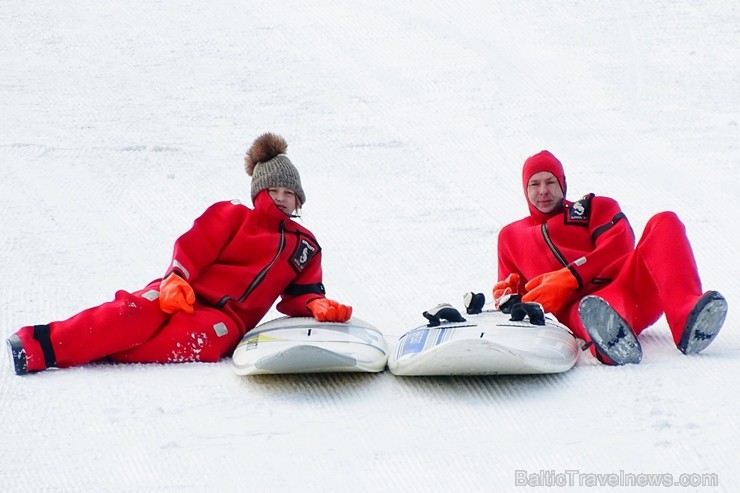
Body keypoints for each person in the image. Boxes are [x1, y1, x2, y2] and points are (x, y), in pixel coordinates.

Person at [7, 133, 353, 375]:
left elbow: (299, 295)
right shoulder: (232, 215)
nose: (280, 197)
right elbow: (194, 245)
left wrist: (314, 305)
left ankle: (102, 350)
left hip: (226, 320)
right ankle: (37, 346)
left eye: (288, 192)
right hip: (184, 291)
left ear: (299, 199)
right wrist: (176, 278)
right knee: (128, 316)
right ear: (257, 192)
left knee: (196, 342)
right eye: (272, 189)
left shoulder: (305, 246)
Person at [492, 150, 727, 365]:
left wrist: (571, 276)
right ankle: (610, 340)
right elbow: (515, 306)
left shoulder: (594, 208)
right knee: (592, 310)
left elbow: (620, 246)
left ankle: (686, 317)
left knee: (665, 221)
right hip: (585, 306)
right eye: (534, 184)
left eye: (550, 181)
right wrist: (507, 297)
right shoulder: (510, 237)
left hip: (632, 285)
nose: (543, 190)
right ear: (525, 189)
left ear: (563, 184)